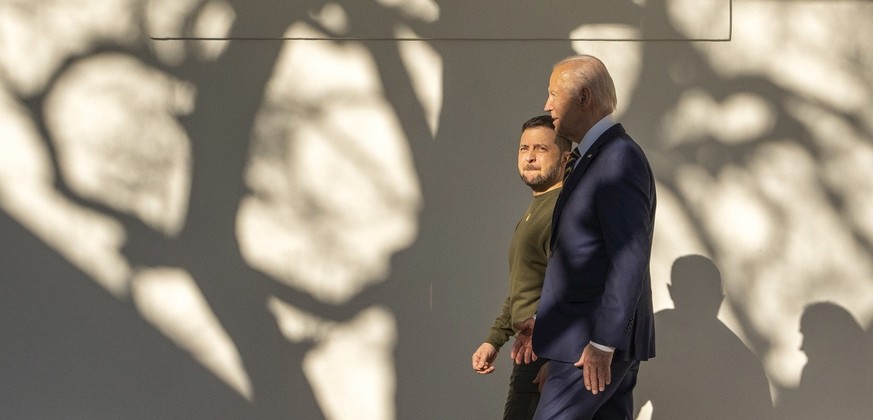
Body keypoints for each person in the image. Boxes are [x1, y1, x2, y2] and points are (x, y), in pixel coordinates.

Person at [513, 55, 657, 419]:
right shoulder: (595, 156)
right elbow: (580, 258)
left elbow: (629, 257)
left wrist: (603, 342)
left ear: (584, 97)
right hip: (581, 340)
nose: (546, 105)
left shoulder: (618, 158)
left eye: (554, 94)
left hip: (590, 344)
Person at [471, 115, 572, 419]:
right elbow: (524, 286)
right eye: (523, 148)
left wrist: (557, 361)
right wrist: (495, 338)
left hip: (547, 352)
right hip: (531, 350)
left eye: (541, 149)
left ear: (566, 157)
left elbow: (575, 288)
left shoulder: (563, 210)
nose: (529, 157)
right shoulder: (536, 209)